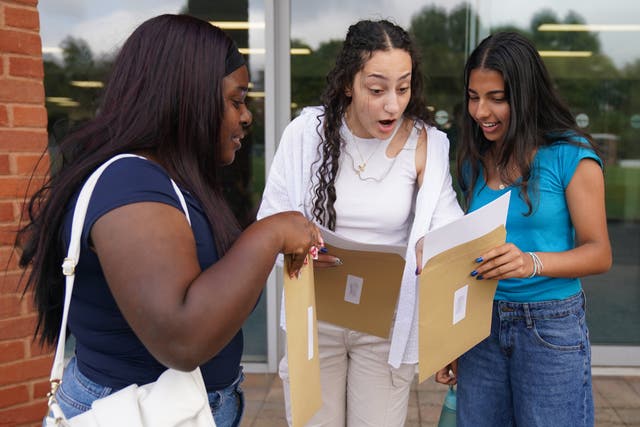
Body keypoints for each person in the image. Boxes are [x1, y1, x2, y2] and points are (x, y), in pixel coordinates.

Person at [16, 14, 323, 427]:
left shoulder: (171, 180)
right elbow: (183, 338)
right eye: (236, 100)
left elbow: (216, 296)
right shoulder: (129, 183)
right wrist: (269, 234)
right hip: (136, 410)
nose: (247, 116)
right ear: (187, 97)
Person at [257, 19, 463, 426]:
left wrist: (435, 248)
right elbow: (270, 222)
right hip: (317, 317)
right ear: (349, 84)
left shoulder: (428, 144)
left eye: (402, 88)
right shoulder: (306, 134)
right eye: (376, 89)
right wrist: (299, 250)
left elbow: (448, 227)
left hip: (385, 325)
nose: (393, 104)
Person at [434, 31, 612, 427]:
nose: (481, 111)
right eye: (474, 96)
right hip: (481, 325)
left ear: (526, 95)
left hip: (549, 328)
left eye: (497, 98)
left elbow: (599, 252)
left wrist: (531, 262)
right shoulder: (473, 160)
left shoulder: (571, 156)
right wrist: (452, 339)